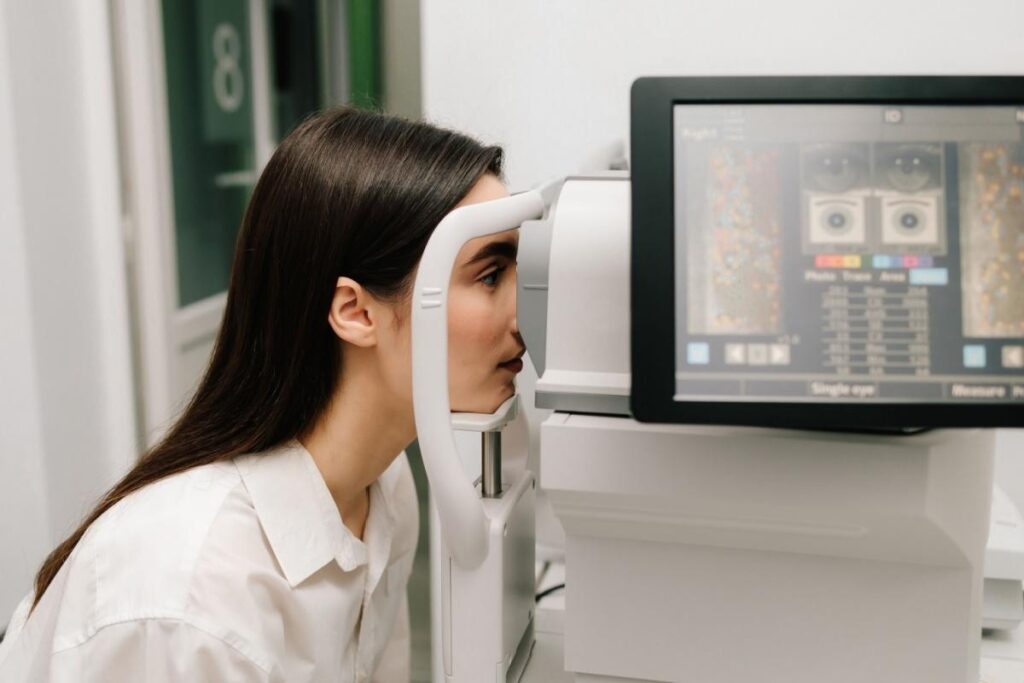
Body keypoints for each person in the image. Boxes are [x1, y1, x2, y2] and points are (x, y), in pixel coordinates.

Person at [0, 107, 525, 682]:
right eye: (490, 275)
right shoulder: (193, 594)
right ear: (355, 311)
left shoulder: (387, 490)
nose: (526, 315)